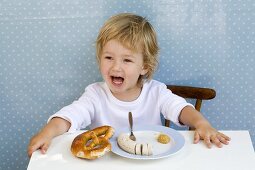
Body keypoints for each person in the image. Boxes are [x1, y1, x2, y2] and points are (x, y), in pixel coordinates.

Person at [27, 13, 230, 157]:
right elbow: (70, 116)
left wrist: (201, 124)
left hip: (151, 160)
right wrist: (48, 132)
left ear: (144, 66)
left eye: (127, 60)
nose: (116, 67)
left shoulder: (156, 92)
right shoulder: (95, 95)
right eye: (108, 57)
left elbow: (181, 109)